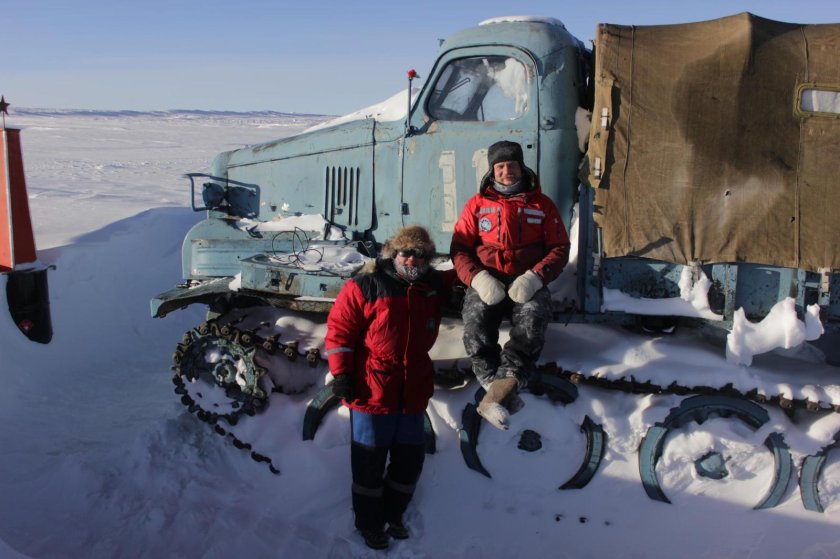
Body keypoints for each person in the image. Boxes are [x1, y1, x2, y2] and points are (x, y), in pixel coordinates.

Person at [325, 225, 450, 551]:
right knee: (369, 464)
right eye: (405, 252)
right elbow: (340, 332)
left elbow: (464, 272)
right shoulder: (366, 285)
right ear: (394, 253)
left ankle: (394, 514)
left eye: (420, 254)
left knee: (409, 462)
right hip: (371, 390)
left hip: (412, 391)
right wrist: (341, 374)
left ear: (428, 259)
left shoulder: (432, 287)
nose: (412, 259)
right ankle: (369, 524)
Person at [450, 140, 570, 430]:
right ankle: (499, 391)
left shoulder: (542, 204)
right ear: (492, 170)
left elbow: (559, 247)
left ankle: (496, 395)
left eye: (511, 165)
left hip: (526, 279)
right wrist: (478, 278)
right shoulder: (477, 205)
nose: (507, 171)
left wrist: (536, 277)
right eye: (500, 166)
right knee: (476, 323)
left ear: (521, 166)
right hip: (487, 278)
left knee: (532, 323)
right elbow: (459, 249)